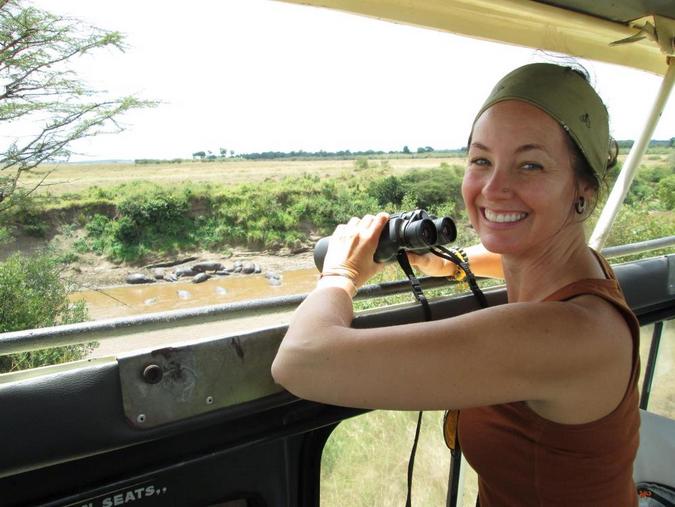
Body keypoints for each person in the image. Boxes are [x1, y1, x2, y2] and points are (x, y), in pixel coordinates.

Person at [271, 63, 640, 507]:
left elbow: (301, 362)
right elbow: (508, 262)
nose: (494, 187)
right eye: (481, 160)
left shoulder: (566, 333)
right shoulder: (582, 273)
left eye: (530, 165)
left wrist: (341, 274)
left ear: (583, 190)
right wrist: (450, 262)